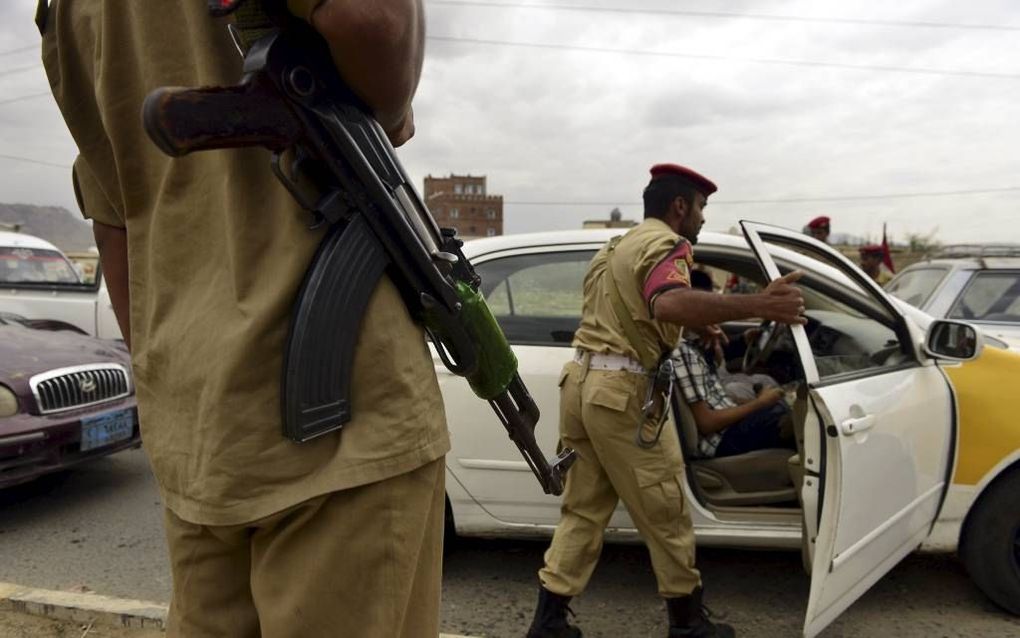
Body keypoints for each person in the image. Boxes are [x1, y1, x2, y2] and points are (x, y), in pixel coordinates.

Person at [39, 2, 448, 637]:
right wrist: (389, 108)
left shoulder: (62, 10)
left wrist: (172, 384)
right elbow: (375, 24)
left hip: (200, 421)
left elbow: (116, 214)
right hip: (344, 420)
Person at [527, 163, 806, 638]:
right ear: (680, 206)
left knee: (584, 509)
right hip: (623, 395)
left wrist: (698, 323)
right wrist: (759, 304)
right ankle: (687, 623)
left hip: (581, 384)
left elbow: (630, 309)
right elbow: (668, 302)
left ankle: (548, 622)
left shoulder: (618, 245)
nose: (700, 218)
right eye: (700, 207)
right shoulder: (669, 244)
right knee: (666, 509)